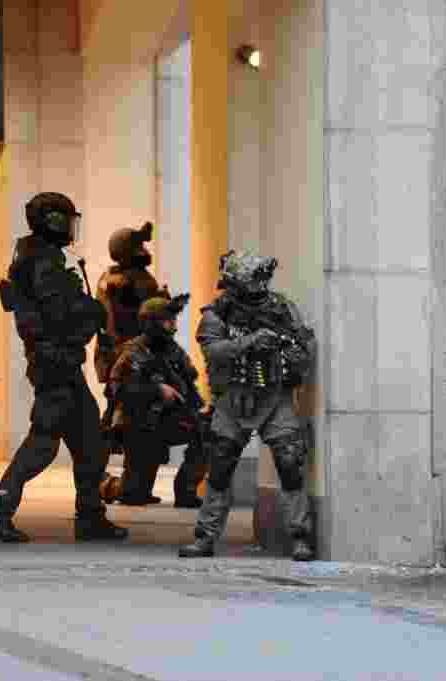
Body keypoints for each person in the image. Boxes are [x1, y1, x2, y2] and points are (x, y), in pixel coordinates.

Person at [0, 192, 128, 543]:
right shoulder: (42, 260)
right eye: (66, 219)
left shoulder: (39, 256)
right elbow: (59, 314)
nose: (70, 227)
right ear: (53, 221)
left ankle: (91, 517)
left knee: (90, 442)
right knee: (43, 444)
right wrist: (93, 312)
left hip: (61, 361)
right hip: (54, 362)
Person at [178, 250, 318, 561]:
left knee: (290, 462)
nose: (261, 285)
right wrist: (251, 342)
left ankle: (300, 536)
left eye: (263, 278)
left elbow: (304, 342)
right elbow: (214, 351)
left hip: (274, 397)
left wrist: (289, 352)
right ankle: (205, 537)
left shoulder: (281, 308)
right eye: (255, 278)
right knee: (219, 467)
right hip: (232, 400)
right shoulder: (217, 314)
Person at [93, 222, 182, 506]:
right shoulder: (137, 280)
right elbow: (152, 317)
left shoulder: (107, 277)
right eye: (139, 246)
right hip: (135, 357)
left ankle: (117, 483)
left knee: (121, 420)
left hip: (114, 356)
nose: (144, 251)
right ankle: (126, 487)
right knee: (135, 423)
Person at [107, 294, 209, 507]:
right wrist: (156, 390)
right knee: (134, 495)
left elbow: (189, 385)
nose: (173, 326)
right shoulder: (134, 351)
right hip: (140, 425)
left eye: (174, 320)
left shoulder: (174, 351)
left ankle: (186, 491)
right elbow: (116, 388)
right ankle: (106, 485)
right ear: (152, 323)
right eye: (167, 320)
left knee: (207, 430)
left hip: (168, 419)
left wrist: (198, 410)